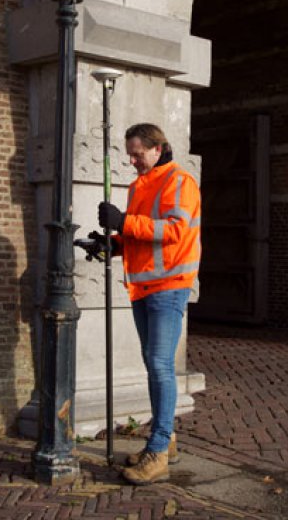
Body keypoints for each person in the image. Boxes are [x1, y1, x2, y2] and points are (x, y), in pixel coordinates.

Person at [97, 122, 201, 485]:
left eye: (138, 154)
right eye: (130, 154)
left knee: (159, 366)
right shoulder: (139, 186)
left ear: (158, 149)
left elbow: (174, 230)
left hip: (169, 286)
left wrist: (124, 222)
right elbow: (141, 235)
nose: (132, 160)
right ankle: (165, 439)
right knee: (153, 364)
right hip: (144, 288)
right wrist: (113, 244)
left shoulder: (179, 182)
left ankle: (157, 452)